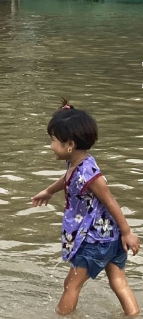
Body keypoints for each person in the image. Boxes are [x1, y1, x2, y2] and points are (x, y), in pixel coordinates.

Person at [32, 100, 139, 316]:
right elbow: (67, 179)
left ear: (69, 144)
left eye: (53, 140)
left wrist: (128, 232)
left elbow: (110, 201)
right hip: (109, 237)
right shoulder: (77, 163)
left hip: (95, 241)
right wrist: (50, 191)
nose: (51, 145)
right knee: (118, 282)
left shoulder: (89, 173)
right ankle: (134, 314)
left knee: (71, 285)